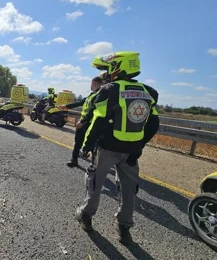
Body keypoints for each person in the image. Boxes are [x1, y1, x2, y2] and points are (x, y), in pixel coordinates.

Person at [75, 51, 160, 246]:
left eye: (108, 69)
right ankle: (124, 229)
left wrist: (86, 144)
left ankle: (86, 215)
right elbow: (153, 124)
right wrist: (139, 146)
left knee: (95, 181)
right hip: (132, 152)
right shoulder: (150, 92)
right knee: (128, 189)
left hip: (107, 148)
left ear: (117, 67)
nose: (107, 73)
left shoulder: (109, 90)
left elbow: (99, 120)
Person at [58, 76, 106, 167]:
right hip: (84, 123)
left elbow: (93, 110)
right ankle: (74, 160)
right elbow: (81, 102)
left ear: (93, 84)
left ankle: (94, 166)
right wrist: (66, 106)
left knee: (93, 145)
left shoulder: (100, 95)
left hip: (91, 124)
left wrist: (82, 121)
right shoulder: (92, 94)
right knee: (78, 142)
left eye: (91, 84)